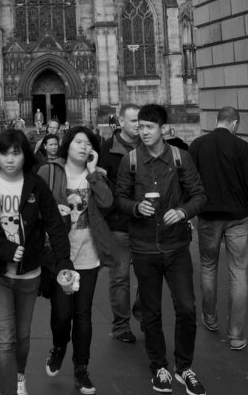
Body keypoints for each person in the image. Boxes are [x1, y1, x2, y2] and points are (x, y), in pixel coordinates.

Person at [0, 129, 76, 395]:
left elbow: (54, 225)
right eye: (4, 153)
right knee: (5, 341)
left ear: (25, 155)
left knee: (23, 337)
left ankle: (19, 376)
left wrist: (64, 264)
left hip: (29, 274)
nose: (10, 159)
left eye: (16, 153)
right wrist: (4, 249)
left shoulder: (36, 185)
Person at [114, 104, 207, 395]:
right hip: (143, 247)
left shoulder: (181, 158)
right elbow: (119, 198)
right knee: (151, 312)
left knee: (187, 308)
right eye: (139, 127)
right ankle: (159, 367)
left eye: (148, 127)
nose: (143, 132)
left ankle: (184, 367)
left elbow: (200, 196)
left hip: (177, 245)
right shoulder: (130, 161)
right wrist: (134, 206)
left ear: (163, 129)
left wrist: (182, 212)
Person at [40, 127, 114, 395]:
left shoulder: (97, 176)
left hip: (89, 255)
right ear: (67, 145)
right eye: (78, 142)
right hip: (60, 256)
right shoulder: (49, 172)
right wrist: (51, 210)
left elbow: (107, 203)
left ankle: (81, 370)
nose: (83, 147)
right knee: (62, 315)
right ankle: (59, 345)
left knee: (83, 315)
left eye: (88, 143)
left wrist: (94, 173)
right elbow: (34, 204)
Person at [188, 105, 248, 351]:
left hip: (207, 215)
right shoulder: (243, 148)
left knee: (208, 266)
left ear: (217, 120)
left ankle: (209, 318)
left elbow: (189, 181)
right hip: (237, 216)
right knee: (238, 271)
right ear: (235, 123)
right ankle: (236, 335)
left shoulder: (197, 145)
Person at [99, 103, 140, 344]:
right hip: (119, 223)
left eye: (141, 121)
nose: (138, 125)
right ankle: (121, 324)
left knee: (149, 276)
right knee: (120, 276)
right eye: (134, 121)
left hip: (147, 222)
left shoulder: (151, 147)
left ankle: (144, 314)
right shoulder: (107, 149)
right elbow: (103, 187)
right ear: (121, 122)